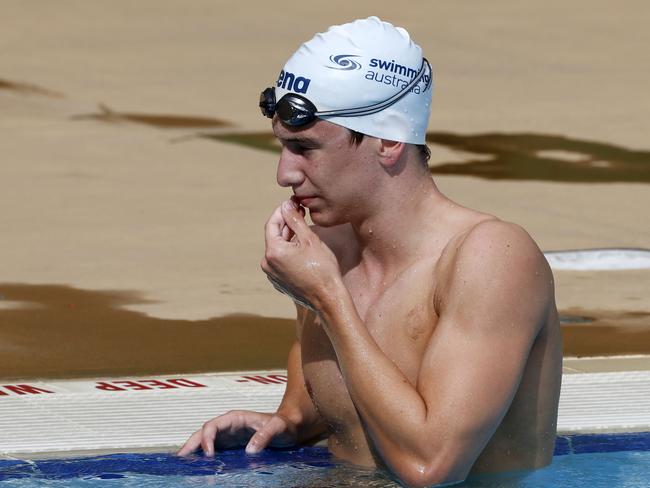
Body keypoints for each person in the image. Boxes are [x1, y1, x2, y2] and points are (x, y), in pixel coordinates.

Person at [179, 16, 562, 487]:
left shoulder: (491, 258)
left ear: (388, 140)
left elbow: (432, 468)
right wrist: (288, 425)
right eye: (282, 147)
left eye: (305, 147)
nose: (285, 174)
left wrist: (327, 298)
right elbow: (334, 402)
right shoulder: (330, 245)